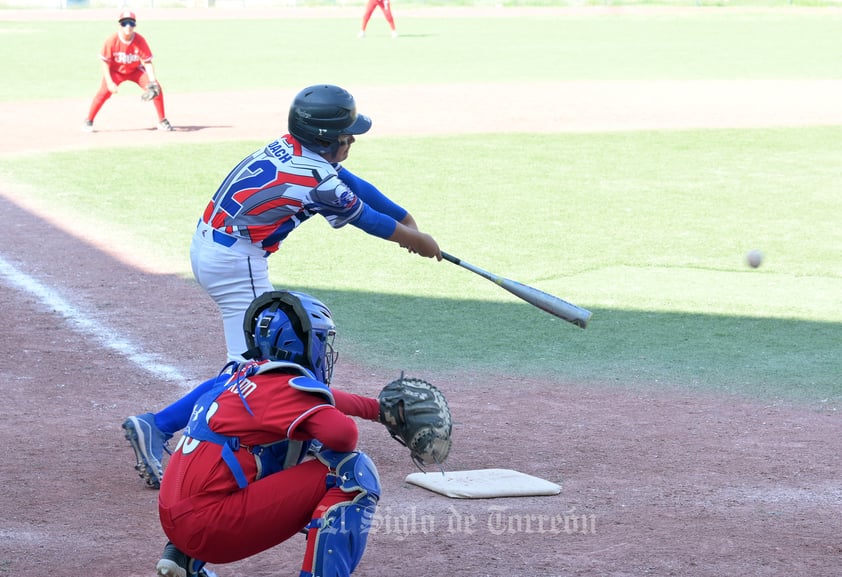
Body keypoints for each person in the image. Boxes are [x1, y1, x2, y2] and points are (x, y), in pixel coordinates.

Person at [121, 83, 441, 490]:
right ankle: (159, 425)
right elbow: (363, 216)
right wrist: (415, 240)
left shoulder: (294, 149)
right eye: (348, 134)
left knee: (256, 365)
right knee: (252, 370)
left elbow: (352, 184)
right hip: (237, 262)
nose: (353, 140)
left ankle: (279, 431)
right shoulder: (318, 181)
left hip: (213, 246)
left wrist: (404, 216)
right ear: (328, 139)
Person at [155, 290, 386, 577]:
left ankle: (184, 559)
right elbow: (343, 436)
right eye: (321, 340)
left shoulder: (241, 376)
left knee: (258, 450)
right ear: (302, 343)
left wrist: (377, 409)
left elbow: (313, 395)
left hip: (176, 518)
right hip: (208, 526)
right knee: (352, 471)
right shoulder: (282, 389)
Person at [83, 10, 173, 133]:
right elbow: (105, 63)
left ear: (135, 25)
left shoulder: (140, 40)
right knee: (103, 93)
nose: (128, 26)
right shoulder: (112, 40)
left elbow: (147, 61)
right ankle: (89, 120)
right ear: (119, 25)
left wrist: (152, 81)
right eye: (124, 23)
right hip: (116, 71)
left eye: (131, 23)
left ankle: (162, 121)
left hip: (135, 70)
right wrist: (109, 83)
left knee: (157, 89)